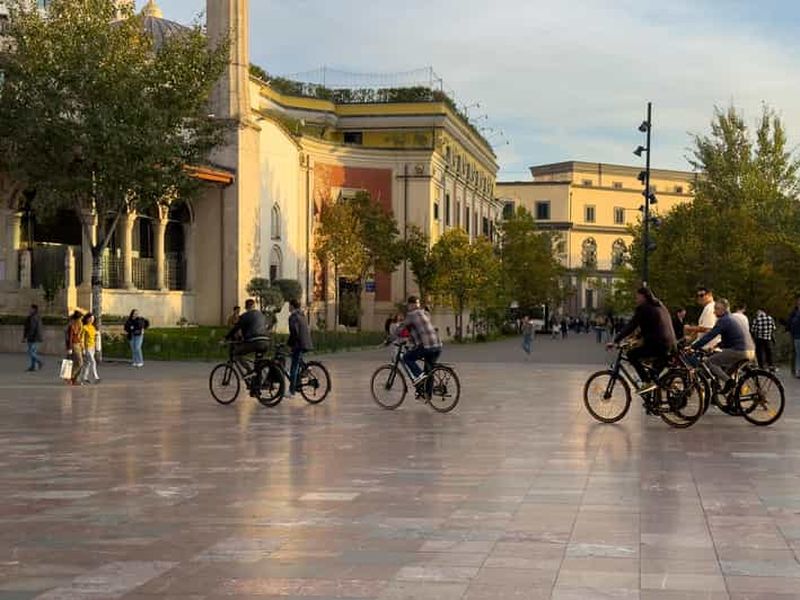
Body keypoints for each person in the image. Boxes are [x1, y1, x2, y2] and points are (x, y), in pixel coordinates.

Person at [608, 287, 676, 394]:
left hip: (659, 344)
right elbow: (651, 326)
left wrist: (616, 341)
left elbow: (632, 325)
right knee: (654, 373)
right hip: (670, 344)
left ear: (643, 297)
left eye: (637, 297)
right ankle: (654, 399)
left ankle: (646, 382)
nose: (636, 299)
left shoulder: (643, 308)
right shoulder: (659, 306)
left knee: (632, 355)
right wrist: (636, 338)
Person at [692, 298, 756, 392]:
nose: (714, 312)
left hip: (739, 351)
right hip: (751, 350)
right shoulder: (734, 318)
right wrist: (716, 346)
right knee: (729, 371)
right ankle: (731, 394)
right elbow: (731, 338)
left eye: (716, 309)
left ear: (723, 310)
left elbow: (709, 335)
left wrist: (693, 347)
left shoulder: (724, 320)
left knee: (711, 362)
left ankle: (729, 383)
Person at [401, 296, 442, 392]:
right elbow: (417, 332)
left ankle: (420, 376)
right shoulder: (425, 313)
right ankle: (428, 394)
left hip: (426, 346)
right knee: (429, 370)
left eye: (408, 305)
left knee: (406, 358)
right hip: (437, 346)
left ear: (411, 305)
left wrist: (388, 339)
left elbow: (400, 328)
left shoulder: (411, 315)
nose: (408, 307)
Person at [225, 298, 271, 367]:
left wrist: (226, 338)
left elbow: (236, 328)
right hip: (266, 341)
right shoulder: (261, 315)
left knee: (236, 353)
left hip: (254, 342)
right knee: (258, 361)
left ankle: (248, 370)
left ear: (246, 307)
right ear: (254, 306)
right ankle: (258, 376)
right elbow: (267, 326)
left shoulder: (244, 316)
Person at [287, 298, 313, 396]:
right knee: (298, 361)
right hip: (306, 343)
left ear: (292, 306)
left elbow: (294, 333)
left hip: (299, 344)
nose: (288, 307)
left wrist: (290, 345)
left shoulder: (293, 317)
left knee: (293, 367)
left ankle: (291, 391)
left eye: (289, 305)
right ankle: (306, 368)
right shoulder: (302, 315)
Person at [65, 310, 84, 385]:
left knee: (75, 362)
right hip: (74, 344)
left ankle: (74, 379)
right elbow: (70, 337)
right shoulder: (72, 325)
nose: (81, 319)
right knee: (80, 362)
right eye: (80, 318)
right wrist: (69, 347)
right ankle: (70, 377)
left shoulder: (79, 324)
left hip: (78, 344)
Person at [22, 304, 43, 372]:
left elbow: (31, 328)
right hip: (36, 337)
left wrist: (26, 337)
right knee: (33, 351)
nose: (29, 310)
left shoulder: (32, 317)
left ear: (34, 309)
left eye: (31, 309)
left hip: (33, 337)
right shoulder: (37, 317)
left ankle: (39, 361)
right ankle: (33, 366)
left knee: (30, 351)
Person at [81, 313, 100, 384]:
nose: (92, 320)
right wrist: (83, 348)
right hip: (87, 347)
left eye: (93, 319)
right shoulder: (84, 327)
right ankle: (96, 376)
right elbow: (82, 339)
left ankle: (84, 377)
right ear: (87, 319)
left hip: (93, 347)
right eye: (90, 318)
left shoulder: (93, 327)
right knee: (93, 361)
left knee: (87, 363)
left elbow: (95, 337)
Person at [787, 296, 800, 378]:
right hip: (796, 335)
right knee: (796, 353)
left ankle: (797, 370)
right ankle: (795, 371)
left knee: (797, 353)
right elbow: (791, 323)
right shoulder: (794, 312)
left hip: (796, 335)